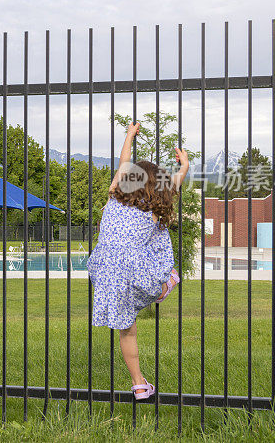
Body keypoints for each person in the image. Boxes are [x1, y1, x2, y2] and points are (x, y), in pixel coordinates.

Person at [86, 123, 187, 400]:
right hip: (133, 270)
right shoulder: (152, 210)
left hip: (103, 268)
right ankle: (166, 283)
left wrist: (130, 135)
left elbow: (123, 162)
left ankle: (139, 385)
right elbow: (174, 184)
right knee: (160, 234)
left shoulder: (113, 194)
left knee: (127, 330)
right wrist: (184, 167)